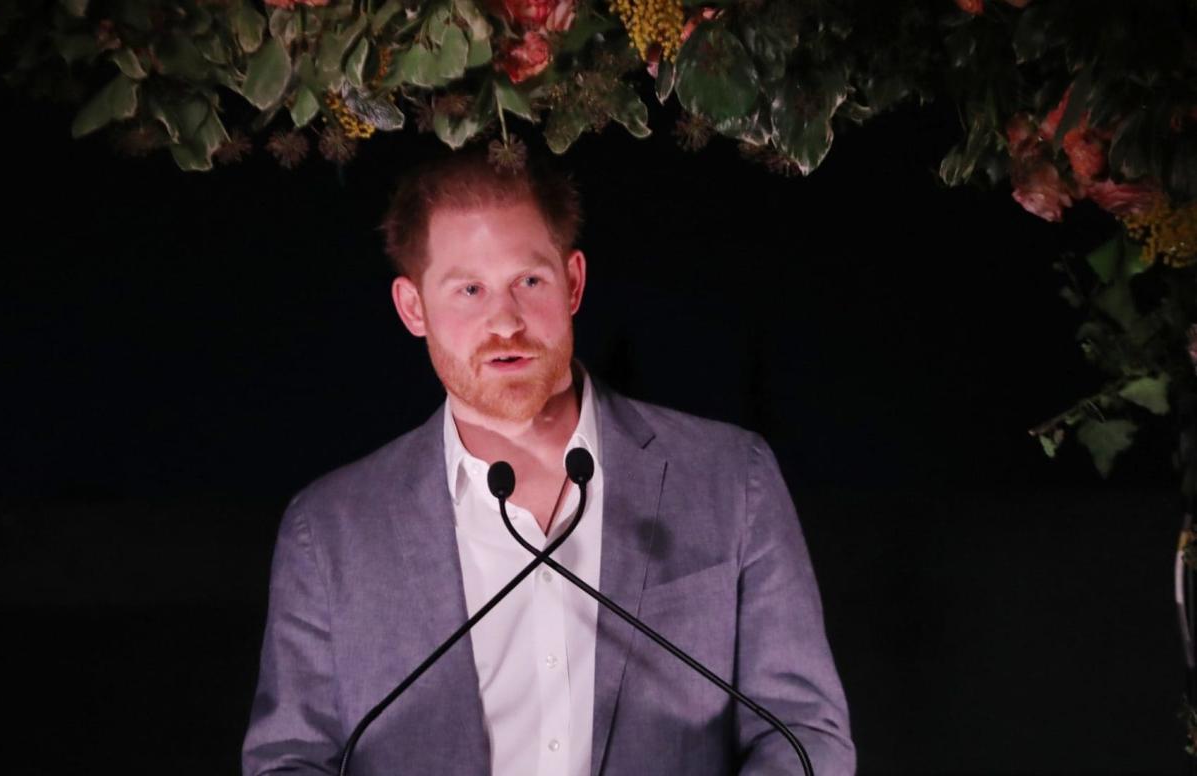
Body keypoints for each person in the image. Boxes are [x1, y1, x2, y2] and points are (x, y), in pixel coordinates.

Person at [242, 149, 855, 776]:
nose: (504, 321)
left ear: (573, 283)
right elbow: (289, 759)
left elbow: (805, 735)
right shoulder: (329, 529)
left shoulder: (731, 480)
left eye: (528, 282)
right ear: (413, 308)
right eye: (469, 289)